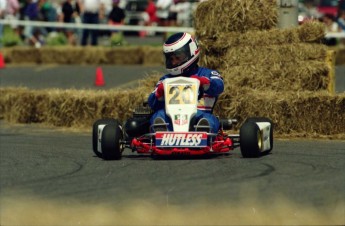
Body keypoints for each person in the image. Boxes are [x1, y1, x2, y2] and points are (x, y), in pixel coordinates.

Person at [148, 32, 224, 133]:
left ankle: (203, 131)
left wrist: (204, 82)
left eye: (178, 58)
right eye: (171, 59)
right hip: (172, 118)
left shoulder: (207, 73)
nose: (174, 62)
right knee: (159, 115)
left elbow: (219, 86)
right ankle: (162, 131)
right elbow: (152, 103)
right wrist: (159, 93)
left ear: (192, 52)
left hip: (199, 116)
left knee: (210, 120)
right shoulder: (165, 80)